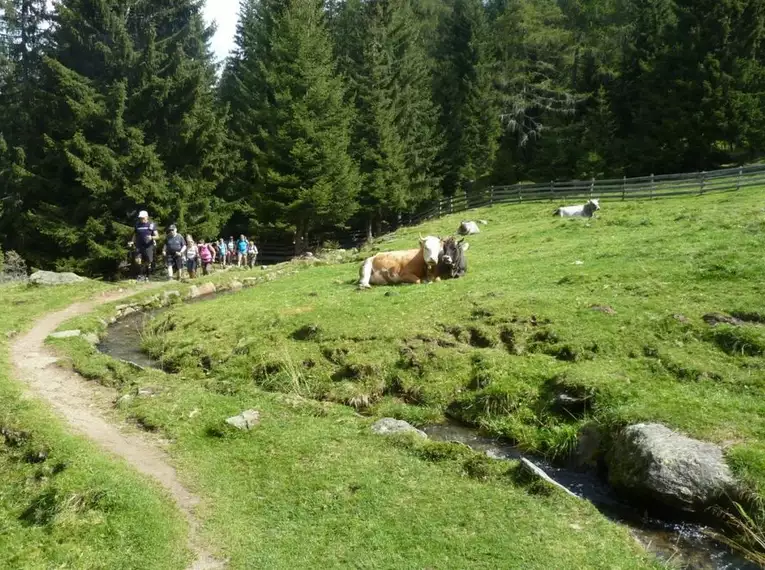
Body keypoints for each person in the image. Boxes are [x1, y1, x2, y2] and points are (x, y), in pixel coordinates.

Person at [130, 210, 158, 282]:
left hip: (148, 246)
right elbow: (135, 235)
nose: (141, 219)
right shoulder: (137, 224)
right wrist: (132, 241)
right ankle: (140, 275)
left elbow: (157, 236)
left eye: (142, 217)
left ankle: (147, 276)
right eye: (140, 217)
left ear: (146, 217)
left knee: (148, 261)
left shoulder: (151, 225)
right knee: (137, 261)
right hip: (139, 246)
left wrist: (151, 237)